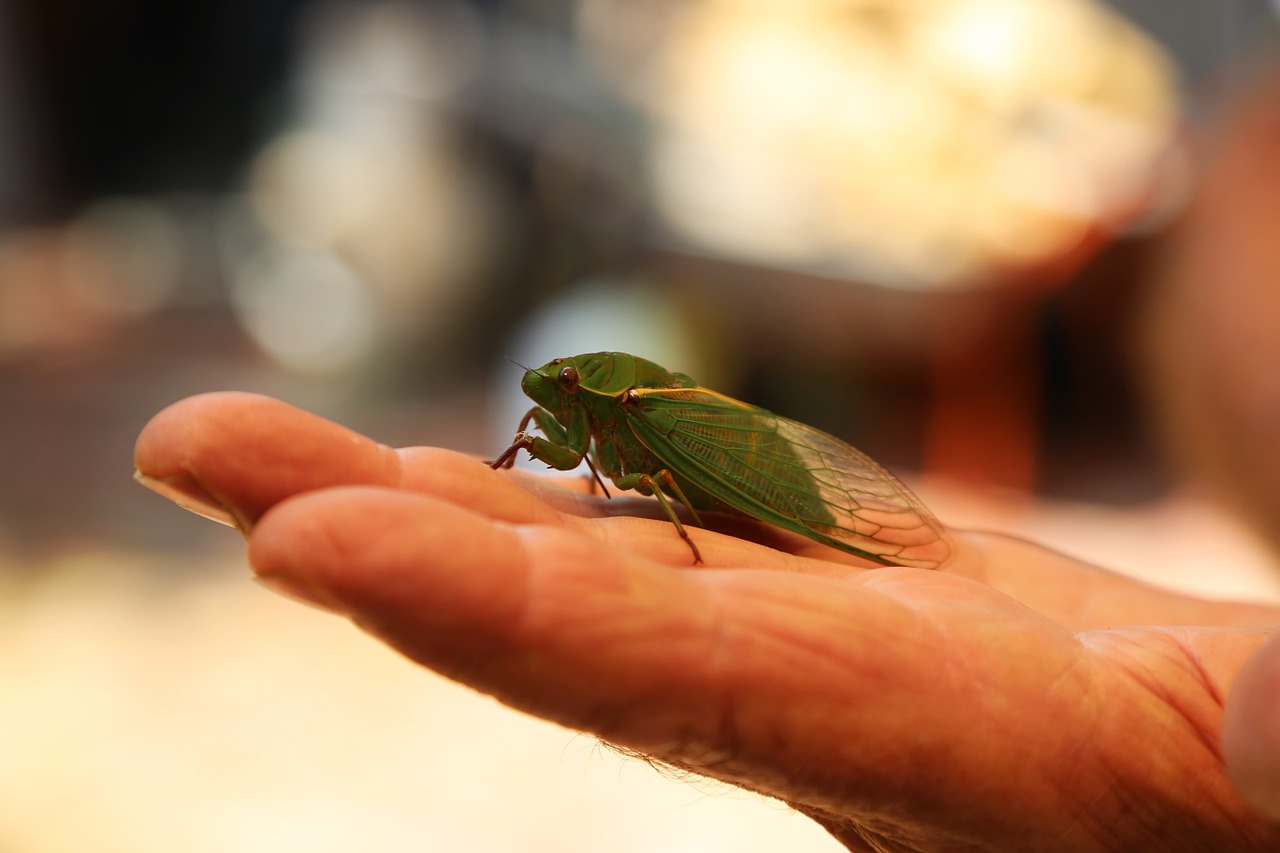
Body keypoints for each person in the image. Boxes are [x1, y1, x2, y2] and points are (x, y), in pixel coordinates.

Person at [134, 390, 1280, 851]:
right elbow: (565, 456)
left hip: (726, 461)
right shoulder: (580, 427)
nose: (544, 420)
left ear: (598, 402)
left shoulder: (626, 421)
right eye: (543, 409)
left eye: (561, 403)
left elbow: (627, 462)